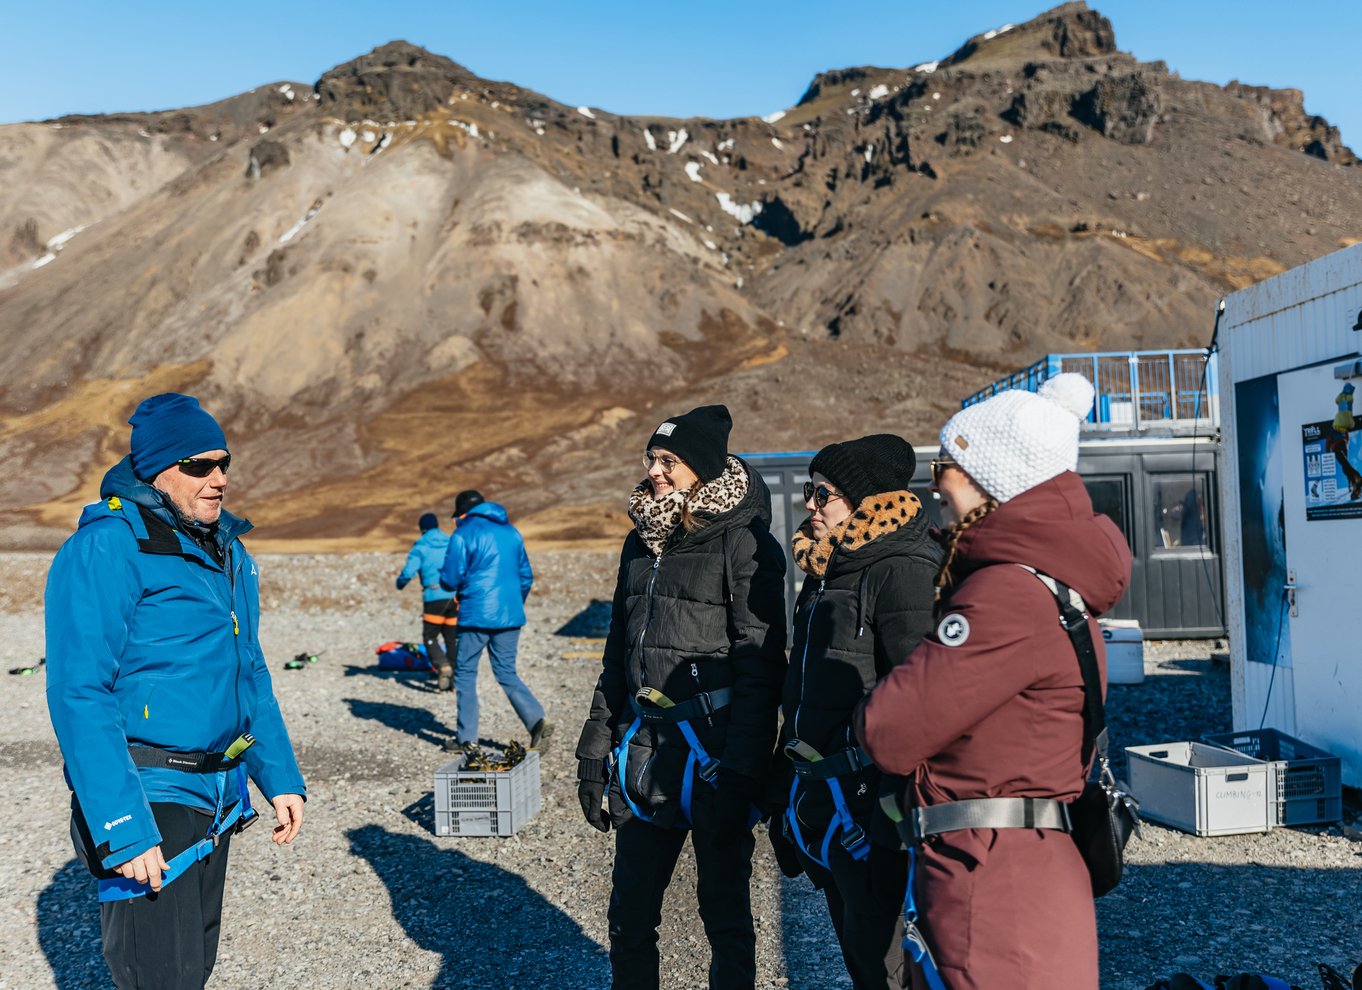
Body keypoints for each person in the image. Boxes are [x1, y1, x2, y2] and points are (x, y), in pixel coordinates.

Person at [855, 374, 1132, 990]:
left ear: (993, 480)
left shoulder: (1005, 593)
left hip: (994, 877)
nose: (934, 487)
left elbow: (890, 730)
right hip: (1020, 865)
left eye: (946, 467)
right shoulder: (1050, 586)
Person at [45, 393, 306, 990]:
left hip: (215, 794)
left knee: (192, 970)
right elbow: (80, 692)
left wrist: (280, 776)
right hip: (150, 794)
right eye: (198, 466)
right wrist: (124, 825)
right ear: (157, 470)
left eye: (223, 464)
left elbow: (251, 671)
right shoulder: (108, 546)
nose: (217, 479)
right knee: (158, 975)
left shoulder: (226, 550)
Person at [575, 404, 787, 990]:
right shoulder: (640, 541)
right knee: (629, 916)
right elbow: (619, 651)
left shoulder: (746, 546)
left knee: (724, 915)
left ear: (702, 468)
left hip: (715, 759)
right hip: (644, 753)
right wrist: (594, 750)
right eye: (653, 459)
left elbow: (761, 666)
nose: (656, 471)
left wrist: (744, 770)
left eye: (670, 461)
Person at [768, 435, 941, 990]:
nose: (811, 506)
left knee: (889, 966)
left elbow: (921, 700)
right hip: (826, 799)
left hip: (872, 805)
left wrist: (892, 810)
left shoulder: (904, 570)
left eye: (825, 495)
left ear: (866, 502)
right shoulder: (826, 572)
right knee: (863, 961)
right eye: (811, 494)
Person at [438, 489, 549, 752]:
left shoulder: (463, 534)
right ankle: (537, 721)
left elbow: (450, 578)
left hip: (475, 616)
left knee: (465, 674)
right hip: (509, 617)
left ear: (463, 513)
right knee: (507, 673)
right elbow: (526, 577)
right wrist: (511, 605)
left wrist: (451, 586)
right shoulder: (511, 532)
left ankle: (467, 739)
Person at [397, 512, 456, 688]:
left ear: (421, 529)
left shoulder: (420, 547)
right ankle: (455, 679)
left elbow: (408, 572)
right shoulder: (451, 542)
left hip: (434, 598)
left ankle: (442, 665)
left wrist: (400, 584)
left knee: (430, 635)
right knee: (451, 638)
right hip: (455, 597)